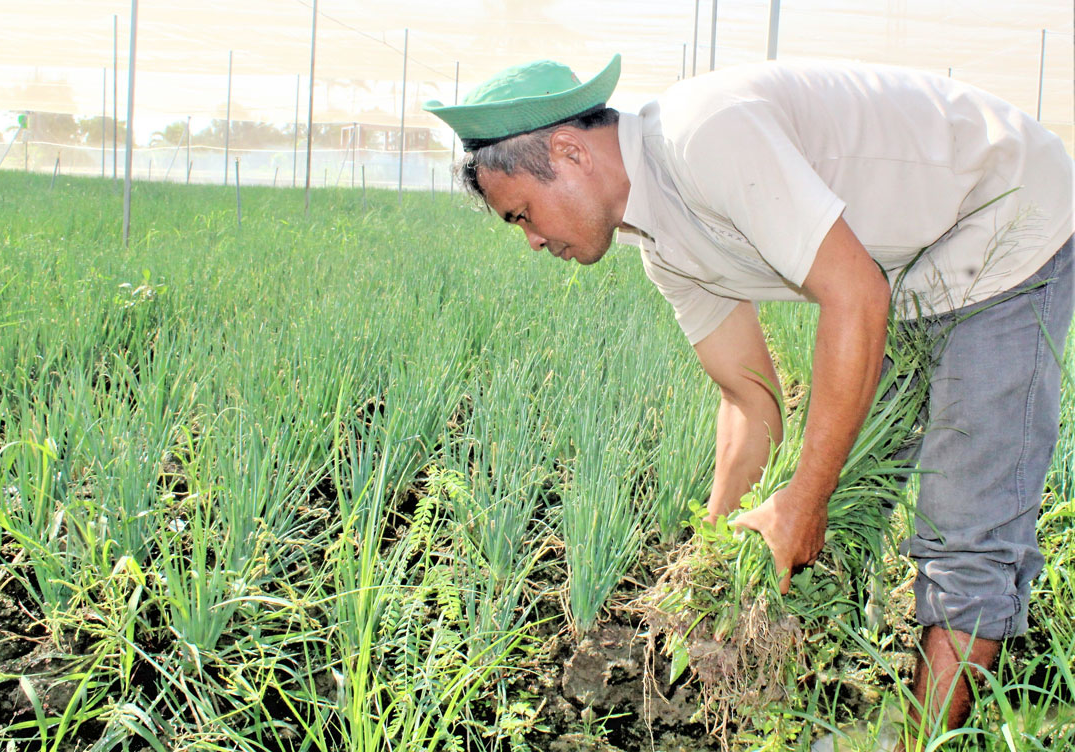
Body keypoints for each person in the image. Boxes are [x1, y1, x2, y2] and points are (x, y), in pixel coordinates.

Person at [424, 54, 1074, 749]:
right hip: (914, 269)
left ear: (569, 150)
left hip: (1005, 219)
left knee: (964, 529)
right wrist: (713, 552)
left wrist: (804, 500)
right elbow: (747, 396)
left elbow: (855, 296)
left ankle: (925, 742)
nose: (531, 240)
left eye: (523, 212)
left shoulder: (705, 137)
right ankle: (843, 701)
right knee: (855, 484)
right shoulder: (664, 249)